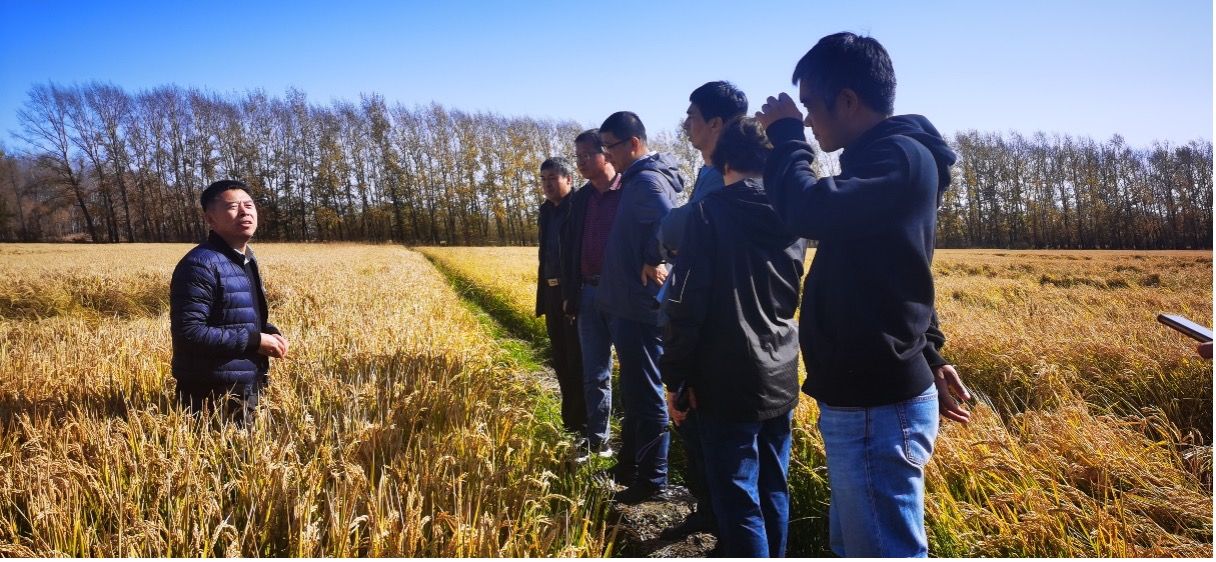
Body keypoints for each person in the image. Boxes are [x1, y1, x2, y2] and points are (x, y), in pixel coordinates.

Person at [755, 32, 971, 557]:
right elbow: (899, 270)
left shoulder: (897, 158)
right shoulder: (884, 159)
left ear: (847, 100)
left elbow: (806, 209)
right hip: (866, 399)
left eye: (809, 105)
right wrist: (931, 352)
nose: (807, 119)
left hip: (877, 403)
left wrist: (786, 139)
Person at [662, 117, 806, 557]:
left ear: (721, 160)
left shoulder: (709, 212)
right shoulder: (794, 213)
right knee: (773, 488)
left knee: (738, 498)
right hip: (781, 373)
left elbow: (686, 305)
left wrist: (676, 378)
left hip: (726, 380)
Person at [658, 80, 748, 541]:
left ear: (716, 123)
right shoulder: (715, 172)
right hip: (749, 350)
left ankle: (716, 519)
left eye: (692, 116)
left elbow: (682, 231)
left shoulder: (723, 177)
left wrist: (680, 374)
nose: (686, 124)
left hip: (714, 341)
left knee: (719, 455)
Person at [597, 111, 686, 504]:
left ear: (633, 143)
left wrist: (653, 256)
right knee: (635, 390)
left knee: (646, 393)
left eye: (610, 147)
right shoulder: (639, 179)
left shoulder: (647, 180)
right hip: (629, 305)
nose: (606, 156)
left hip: (639, 308)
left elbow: (671, 224)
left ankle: (653, 480)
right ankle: (631, 464)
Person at [170, 179, 287, 427]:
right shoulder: (200, 264)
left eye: (249, 205)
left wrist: (267, 331)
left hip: (243, 384)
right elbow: (189, 333)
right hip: (212, 393)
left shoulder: (245, 258)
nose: (245, 211)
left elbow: (235, 315)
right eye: (233, 206)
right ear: (210, 219)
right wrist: (255, 340)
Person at [562, 130, 621, 461]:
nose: (582, 162)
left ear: (607, 154)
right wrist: (571, 294)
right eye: (578, 157)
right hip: (588, 292)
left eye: (587, 155)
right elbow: (572, 249)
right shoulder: (581, 200)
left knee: (639, 372)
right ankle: (599, 439)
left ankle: (645, 452)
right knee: (594, 371)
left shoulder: (629, 191)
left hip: (624, 294)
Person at [535, 157, 586, 439]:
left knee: (579, 360)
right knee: (561, 359)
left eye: (553, 178)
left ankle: (586, 423)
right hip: (552, 293)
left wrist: (574, 294)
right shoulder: (546, 212)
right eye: (544, 180)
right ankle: (571, 421)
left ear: (569, 179)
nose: (548, 184)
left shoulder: (580, 208)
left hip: (574, 294)